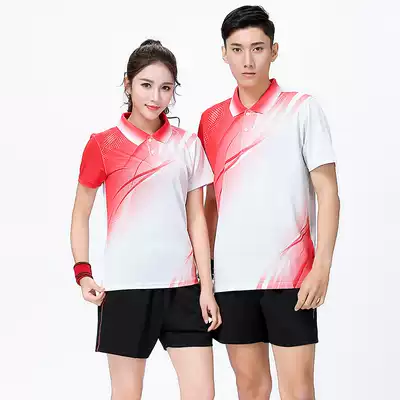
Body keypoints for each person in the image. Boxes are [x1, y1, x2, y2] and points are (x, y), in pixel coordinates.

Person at [198, 6, 340, 400]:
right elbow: (211, 203)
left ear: (274, 51)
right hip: (231, 279)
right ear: (224, 53)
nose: (248, 60)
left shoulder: (302, 109)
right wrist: (207, 275)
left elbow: (328, 193)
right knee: (250, 386)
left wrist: (322, 267)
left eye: (257, 48)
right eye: (237, 49)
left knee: (297, 389)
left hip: (291, 277)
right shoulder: (211, 120)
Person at [70, 39, 221, 400]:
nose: (156, 97)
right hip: (126, 289)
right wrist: (83, 273)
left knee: (202, 393)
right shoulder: (103, 144)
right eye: (146, 85)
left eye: (166, 88)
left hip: (183, 289)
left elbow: (196, 220)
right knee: (127, 393)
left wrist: (206, 287)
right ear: (128, 84)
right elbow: (80, 213)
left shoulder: (187, 145)